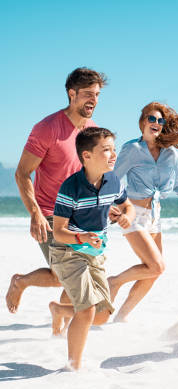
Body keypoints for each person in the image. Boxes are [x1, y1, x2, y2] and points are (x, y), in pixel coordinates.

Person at [6, 67, 107, 314]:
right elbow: (22, 173)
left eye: (96, 94)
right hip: (51, 213)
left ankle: (58, 316)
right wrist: (35, 213)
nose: (93, 99)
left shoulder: (92, 130)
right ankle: (22, 283)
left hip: (80, 215)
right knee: (68, 274)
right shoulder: (47, 128)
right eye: (87, 94)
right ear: (72, 94)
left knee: (69, 273)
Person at [108, 102, 178, 322]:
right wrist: (109, 204)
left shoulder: (170, 154)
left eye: (160, 121)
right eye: (151, 119)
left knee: (154, 271)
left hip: (155, 216)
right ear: (143, 122)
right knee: (156, 265)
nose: (156, 123)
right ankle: (114, 282)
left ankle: (121, 317)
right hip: (133, 213)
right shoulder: (132, 149)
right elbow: (112, 177)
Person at [48, 127, 134, 370]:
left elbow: (128, 206)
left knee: (103, 314)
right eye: (106, 150)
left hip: (96, 253)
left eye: (113, 149)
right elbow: (59, 231)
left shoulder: (113, 181)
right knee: (86, 310)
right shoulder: (70, 188)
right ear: (86, 156)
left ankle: (59, 310)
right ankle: (73, 367)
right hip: (69, 252)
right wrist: (82, 237)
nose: (113, 155)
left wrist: (127, 215)